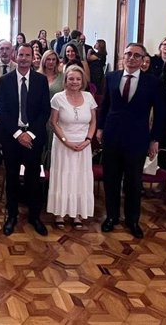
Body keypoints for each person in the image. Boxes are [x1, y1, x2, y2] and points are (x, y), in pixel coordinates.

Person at [96, 43, 164, 239]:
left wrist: (155, 140)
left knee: (134, 181)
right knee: (111, 179)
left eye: (136, 55)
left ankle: (132, 220)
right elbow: (105, 105)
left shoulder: (152, 82)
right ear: (122, 57)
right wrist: (100, 128)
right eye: (128, 54)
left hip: (137, 138)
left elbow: (160, 114)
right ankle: (111, 216)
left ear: (143, 60)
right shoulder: (111, 77)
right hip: (112, 135)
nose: (132, 58)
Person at [0, 43, 51, 236]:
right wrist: (18, 134)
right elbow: (0, 109)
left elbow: (45, 111)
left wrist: (30, 134)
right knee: (11, 178)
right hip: (12, 137)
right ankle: (12, 216)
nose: (24, 58)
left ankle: (35, 216)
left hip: (34, 137)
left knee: (33, 179)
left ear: (32, 58)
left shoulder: (41, 80)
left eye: (28, 55)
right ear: (15, 56)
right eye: (21, 54)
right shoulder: (5, 80)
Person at [48, 65, 97, 229]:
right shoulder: (57, 98)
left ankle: (77, 214)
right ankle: (60, 213)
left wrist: (88, 140)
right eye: (71, 79)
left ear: (82, 80)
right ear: (65, 80)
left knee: (79, 178)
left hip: (83, 145)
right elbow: (53, 123)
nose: (74, 82)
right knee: (63, 177)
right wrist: (65, 141)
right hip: (63, 145)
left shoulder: (89, 97)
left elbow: (93, 122)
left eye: (78, 79)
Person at [38, 50, 64, 169]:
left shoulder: (62, 77)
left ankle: (52, 173)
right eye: (48, 59)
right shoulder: (36, 76)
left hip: (57, 116)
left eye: (54, 59)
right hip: (39, 116)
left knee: (53, 145)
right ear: (43, 61)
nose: (51, 62)